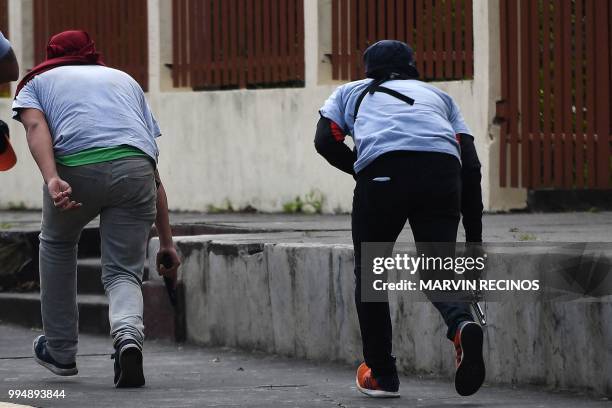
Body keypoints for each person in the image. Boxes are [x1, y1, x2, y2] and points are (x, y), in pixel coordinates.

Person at [315, 40, 485, 398]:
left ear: (368, 68)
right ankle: (461, 324)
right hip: (442, 174)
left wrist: (362, 171)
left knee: (372, 273)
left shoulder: (351, 92)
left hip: (382, 176)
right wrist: (473, 237)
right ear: (413, 66)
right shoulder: (439, 98)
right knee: (438, 269)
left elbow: (326, 140)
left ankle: (382, 375)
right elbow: (470, 165)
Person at [12, 30, 181, 388]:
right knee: (123, 270)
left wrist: (52, 177)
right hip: (136, 171)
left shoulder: (36, 81)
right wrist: (167, 240)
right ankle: (128, 335)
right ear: (91, 52)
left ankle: (60, 350)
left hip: (77, 168)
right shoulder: (124, 80)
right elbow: (151, 164)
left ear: (50, 54)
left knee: (57, 246)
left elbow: (34, 124)